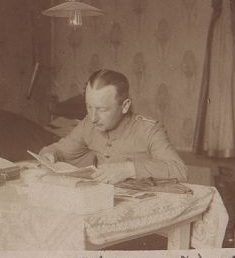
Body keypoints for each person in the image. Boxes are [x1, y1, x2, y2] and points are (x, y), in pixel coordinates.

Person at [39, 69, 187, 184]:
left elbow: (180, 170)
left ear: (125, 106)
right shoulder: (88, 125)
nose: (93, 117)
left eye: (102, 109)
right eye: (89, 107)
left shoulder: (149, 130)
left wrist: (128, 169)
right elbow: (59, 150)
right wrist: (49, 155)